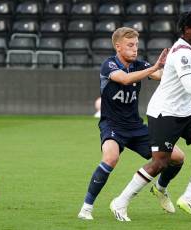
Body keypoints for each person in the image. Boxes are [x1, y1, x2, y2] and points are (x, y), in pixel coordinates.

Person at [109, 12, 191, 221]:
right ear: (187, 30)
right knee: (160, 163)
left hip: (185, 111)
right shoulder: (181, 52)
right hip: (164, 112)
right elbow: (188, 84)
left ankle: (187, 197)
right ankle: (120, 202)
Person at [78, 27, 185, 220]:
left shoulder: (139, 64)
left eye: (136, 45)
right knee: (110, 158)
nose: (135, 49)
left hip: (136, 127)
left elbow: (161, 76)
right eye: (130, 45)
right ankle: (86, 208)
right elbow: (125, 80)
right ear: (118, 47)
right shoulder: (108, 65)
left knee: (177, 157)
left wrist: (176, 68)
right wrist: (153, 68)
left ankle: (161, 189)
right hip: (112, 126)